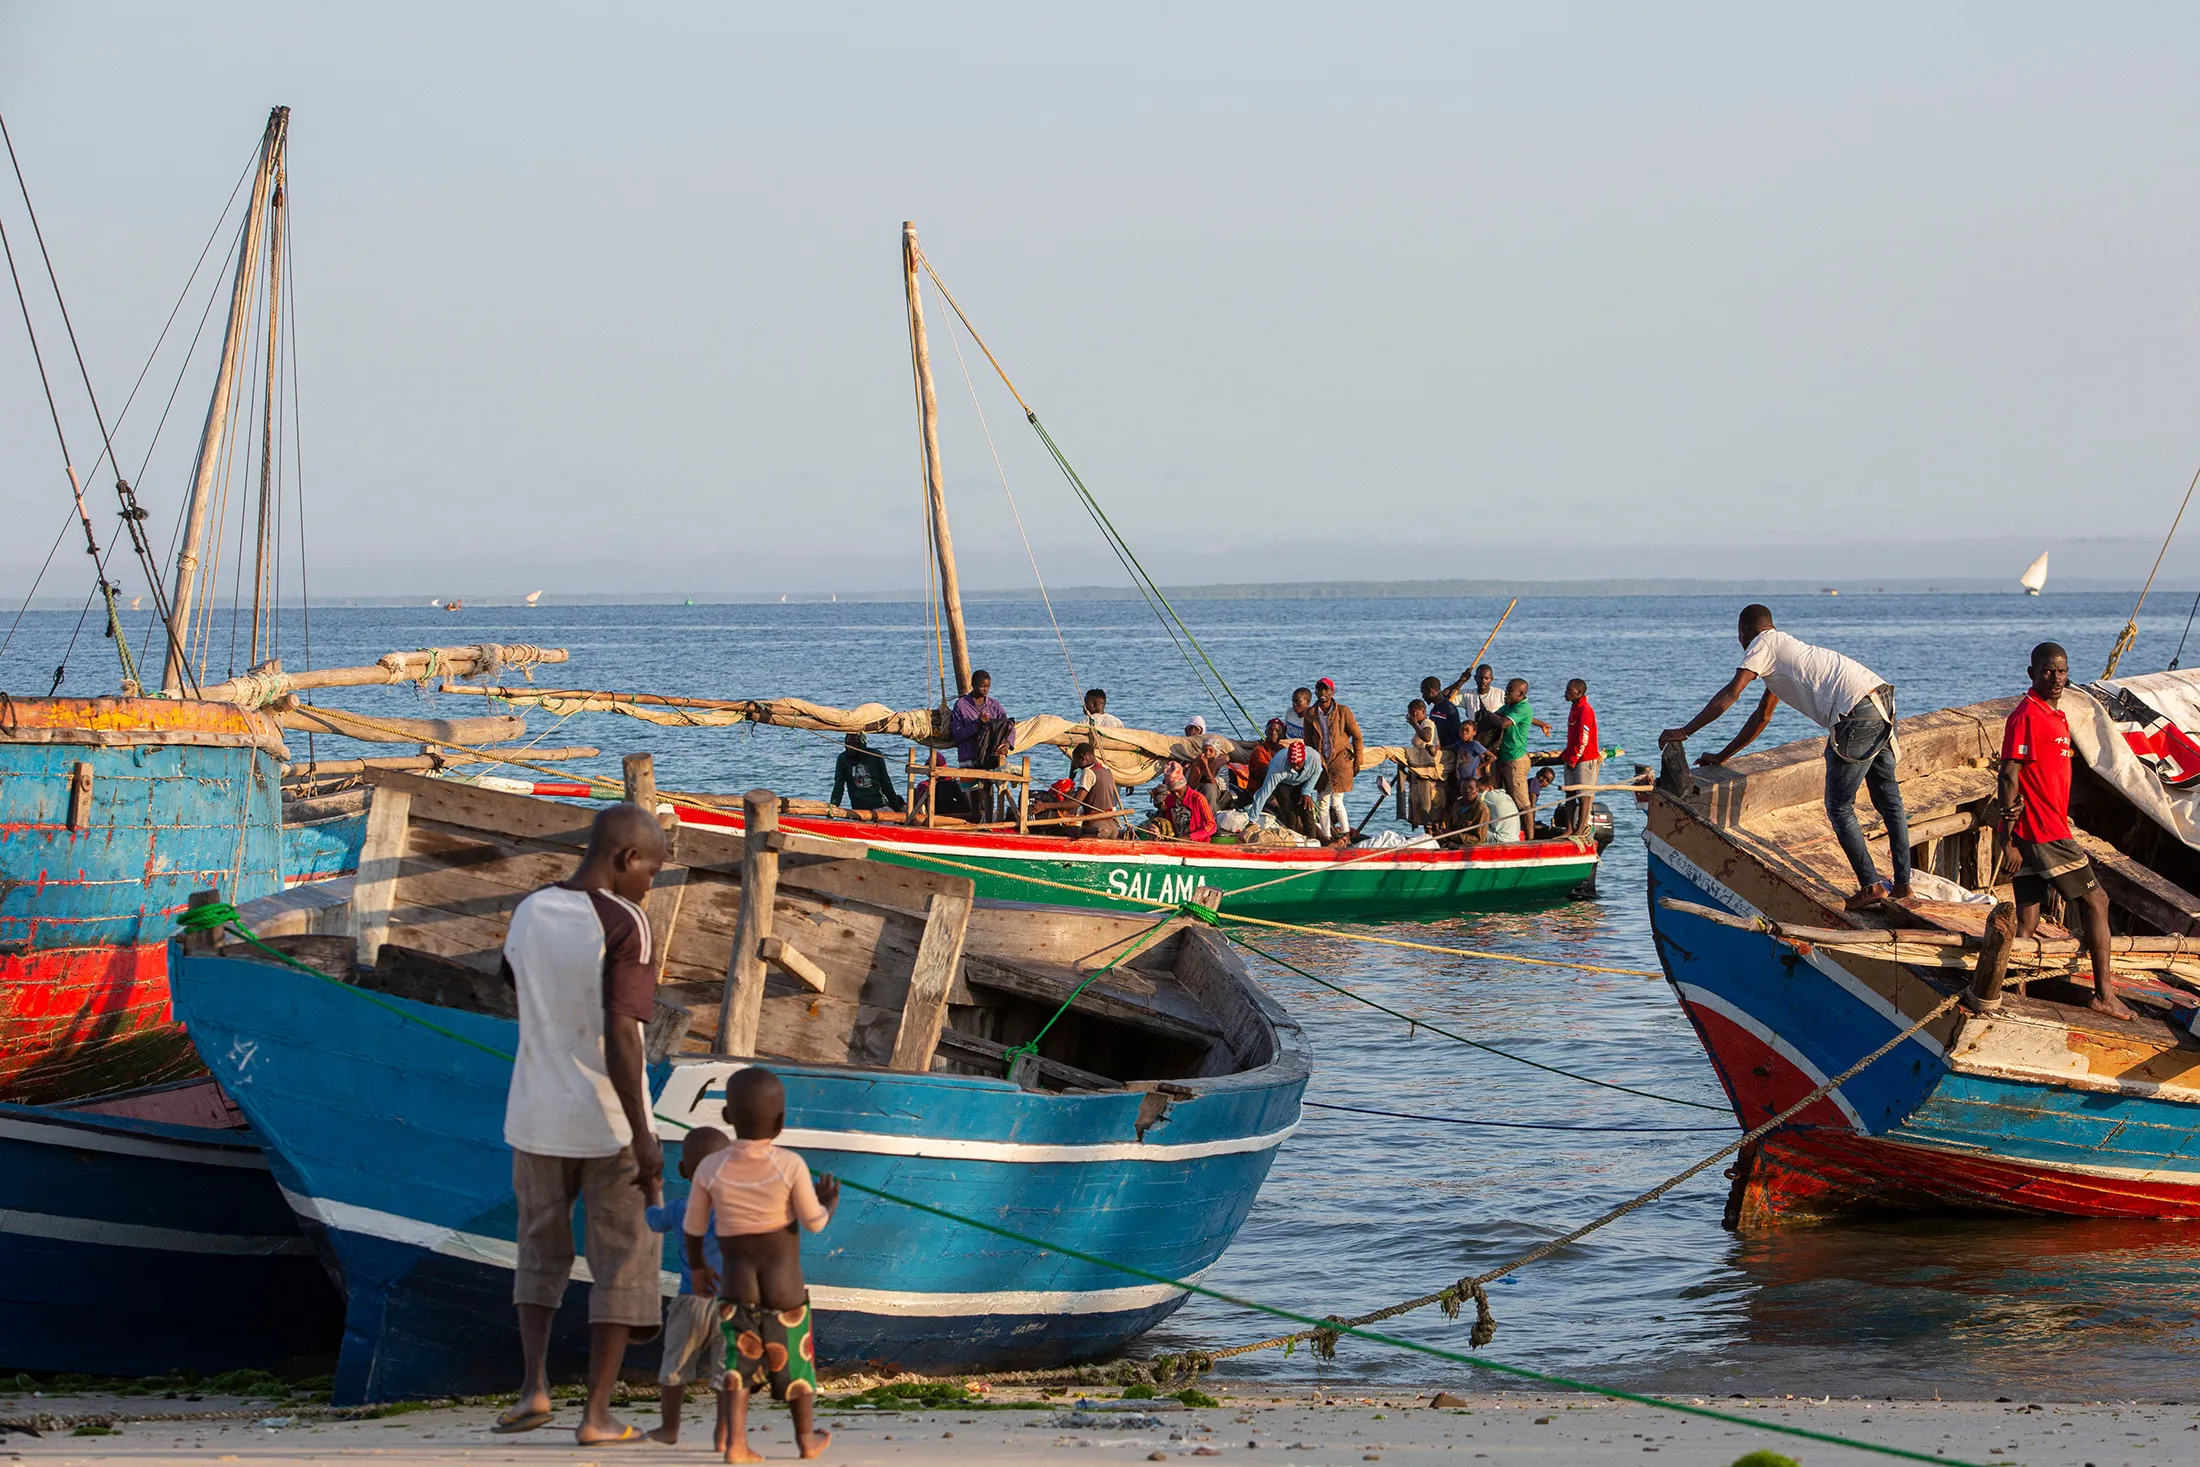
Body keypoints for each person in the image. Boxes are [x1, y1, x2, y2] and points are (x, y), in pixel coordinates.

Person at [496, 803, 668, 1445]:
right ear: (626, 860)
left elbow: (516, 983)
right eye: (651, 868)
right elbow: (622, 1032)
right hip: (607, 1122)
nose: (651, 881)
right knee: (623, 1260)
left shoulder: (530, 910)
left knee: (539, 1249)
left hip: (534, 1112)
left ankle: (534, 1387)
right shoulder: (627, 922)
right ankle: (596, 1415)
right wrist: (643, 1137)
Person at [1659, 604, 1914, 911]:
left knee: (1839, 805)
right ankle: (1903, 886)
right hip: (1881, 698)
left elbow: (1732, 693)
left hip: (1855, 714)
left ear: (1743, 633)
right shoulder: (1784, 651)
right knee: (1889, 801)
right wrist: (1723, 755)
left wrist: (1685, 731)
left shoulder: (1761, 645)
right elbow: (1762, 717)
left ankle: (1871, 886)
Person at [686, 1066, 837, 1463]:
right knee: (797, 1368)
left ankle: (736, 1443)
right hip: (784, 1289)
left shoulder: (709, 1167)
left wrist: (700, 1268)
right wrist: (829, 1203)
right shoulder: (790, 1166)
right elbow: (815, 1223)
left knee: (737, 1365)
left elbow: (693, 1227)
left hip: (736, 1286)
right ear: (782, 1122)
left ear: (727, 1118)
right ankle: (806, 1440)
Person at [1998, 642, 2133, 1020]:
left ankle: (2013, 989)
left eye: (2061, 671)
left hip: (2043, 828)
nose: (2056, 678)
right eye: (2047, 671)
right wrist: (2007, 837)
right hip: (2043, 831)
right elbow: (2009, 774)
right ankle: (2104, 995)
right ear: (2032, 673)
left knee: (2028, 917)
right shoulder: (2026, 715)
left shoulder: (2055, 715)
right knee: (2097, 902)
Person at [644, 1126, 733, 1447]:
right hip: (731, 1302)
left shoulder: (681, 1208)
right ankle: (723, 1434)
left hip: (691, 1300)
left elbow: (653, 1220)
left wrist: (653, 1190)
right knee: (727, 1372)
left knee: (676, 1368)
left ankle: (669, 1429)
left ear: (683, 1170)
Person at [949, 670, 1011, 824]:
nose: (985, 690)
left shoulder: (994, 705)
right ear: (973, 685)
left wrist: (1008, 744)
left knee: (988, 790)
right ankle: (976, 822)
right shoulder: (961, 705)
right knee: (973, 795)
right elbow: (957, 735)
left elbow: (1008, 726)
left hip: (988, 757)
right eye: (982, 686)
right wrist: (977, 724)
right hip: (968, 757)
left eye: (988, 687)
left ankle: (989, 822)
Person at [1488, 678, 1549, 838]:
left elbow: (1502, 723)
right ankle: (1513, 834)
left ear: (1521, 694)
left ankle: (1530, 839)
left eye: (1509, 691)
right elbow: (1501, 715)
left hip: (1515, 760)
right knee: (1509, 801)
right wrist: (1541, 723)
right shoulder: (1510, 706)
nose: (1505, 694)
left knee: (1523, 804)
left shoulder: (1523, 708)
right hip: (1504, 758)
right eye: (1506, 690)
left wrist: (1486, 713)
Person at [1310, 678, 1365, 842]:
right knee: (1322, 802)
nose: (1323, 693)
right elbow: (1308, 740)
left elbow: (1357, 737)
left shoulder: (1343, 712)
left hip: (1340, 762)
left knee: (1337, 801)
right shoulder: (1311, 714)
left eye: (1326, 690)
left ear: (1332, 692)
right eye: (1319, 689)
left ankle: (1345, 834)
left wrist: (1357, 761)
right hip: (1321, 762)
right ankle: (1326, 837)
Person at [1246, 734, 1324, 837]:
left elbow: (1317, 772)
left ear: (1304, 760)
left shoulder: (1314, 759)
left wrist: (1307, 791)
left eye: (1298, 763)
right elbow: (1264, 793)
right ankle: (1292, 839)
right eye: (1293, 763)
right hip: (1284, 784)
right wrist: (1252, 819)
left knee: (1307, 810)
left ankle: (1312, 841)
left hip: (1303, 782)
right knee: (1290, 814)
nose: (1295, 766)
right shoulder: (1277, 767)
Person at [1560, 678, 1600, 837]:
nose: (1566, 692)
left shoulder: (1585, 710)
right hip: (1572, 758)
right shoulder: (1574, 708)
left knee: (1584, 795)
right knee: (1569, 794)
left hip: (1584, 759)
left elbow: (1583, 737)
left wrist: (1574, 758)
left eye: (1570, 690)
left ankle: (1580, 828)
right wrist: (1566, 756)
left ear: (1579, 692)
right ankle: (1569, 828)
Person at [829, 733, 904, 817]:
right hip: (859, 809)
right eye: (848, 744)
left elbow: (886, 784)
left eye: (855, 744)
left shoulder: (874, 756)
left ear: (862, 743)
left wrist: (897, 808)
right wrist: (833, 808)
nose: (851, 748)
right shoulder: (843, 759)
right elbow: (838, 787)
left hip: (878, 806)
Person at [1067, 743, 1123, 840]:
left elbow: (1076, 803)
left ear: (1082, 758)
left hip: (1097, 827)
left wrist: (1046, 806)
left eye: (1077, 763)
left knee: (1069, 833)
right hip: (1112, 827)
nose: (1078, 767)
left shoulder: (1088, 772)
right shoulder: (1106, 769)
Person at [1152, 761, 1217, 842]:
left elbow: (1212, 826)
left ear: (1184, 785)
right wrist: (1156, 827)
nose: (1176, 794)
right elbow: (1166, 821)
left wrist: (1190, 837)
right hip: (1176, 842)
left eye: (1178, 791)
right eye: (1172, 792)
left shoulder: (1197, 798)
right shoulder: (1169, 799)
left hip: (1197, 844)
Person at [1420, 673, 1471, 751]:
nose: (1423, 696)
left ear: (1430, 691)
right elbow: (1444, 692)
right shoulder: (1436, 707)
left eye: (1423, 692)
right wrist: (1461, 681)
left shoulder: (1449, 709)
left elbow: (1456, 736)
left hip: (1446, 752)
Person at [1480, 767, 1524, 842]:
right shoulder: (1505, 795)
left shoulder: (1490, 795)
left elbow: (1468, 798)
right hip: (1515, 839)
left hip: (1500, 839)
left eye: (1479, 790)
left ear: (1490, 788)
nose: (1477, 792)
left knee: (1469, 829)